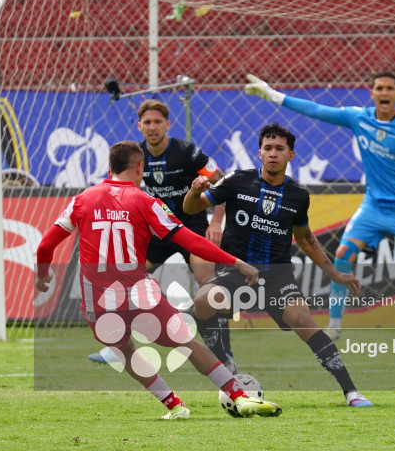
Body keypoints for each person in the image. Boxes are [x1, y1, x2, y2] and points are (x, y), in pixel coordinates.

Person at [35, 141, 282, 419]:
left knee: (124, 350)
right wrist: (238, 263)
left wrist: (43, 276)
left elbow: (45, 247)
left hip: (98, 300)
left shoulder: (82, 200)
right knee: (186, 343)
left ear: (110, 169)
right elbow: (193, 242)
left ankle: (174, 406)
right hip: (140, 295)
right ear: (140, 168)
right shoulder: (147, 202)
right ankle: (239, 396)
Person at [245, 72, 395, 341]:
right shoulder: (359, 117)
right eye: (379, 88)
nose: (384, 93)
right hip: (373, 207)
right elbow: (318, 110)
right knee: (343, 253)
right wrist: (272, 94)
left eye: (389, 88)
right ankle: (334, 326)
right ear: (372, 93)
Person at [183, 123, 372, 408]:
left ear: (291, 155)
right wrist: (195, 191)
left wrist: (335, 274)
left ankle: (351, 392)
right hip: (236, 271)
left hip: (277, 276)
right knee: (203, 301)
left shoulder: (298, 196)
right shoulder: (236, 181)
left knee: (303, 321)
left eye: (279, 149)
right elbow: (190, 209)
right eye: (268, 148)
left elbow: (306, 239)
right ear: (259, 153)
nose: (273, 154)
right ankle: (225, 362)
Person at [90, 99, 236, 371]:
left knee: (209, 285)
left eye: (158, 122)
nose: (153, 127)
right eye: (147, 122)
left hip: (191, 227)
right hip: (158, 230)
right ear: (139, 126)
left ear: (168, 125)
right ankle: (116, 345)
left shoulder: (187, 153)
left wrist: (216, 221)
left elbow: (221, 181)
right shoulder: (136, 156)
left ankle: (224, 356)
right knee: (122, 277)